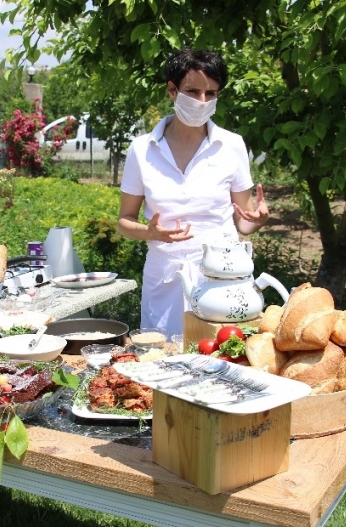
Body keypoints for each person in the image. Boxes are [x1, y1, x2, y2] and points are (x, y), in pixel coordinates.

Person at [118, 48, 269, 337]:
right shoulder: (142, 149)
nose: (202, 101)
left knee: (223, 359)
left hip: (222, 280)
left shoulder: (232, 145)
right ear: (172, 90)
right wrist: (150, 232)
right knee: (164, 361)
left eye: (211, 93)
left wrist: (258, 219)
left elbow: (243, 222)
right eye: (193, 91)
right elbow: (124, 221)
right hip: (166, 278)